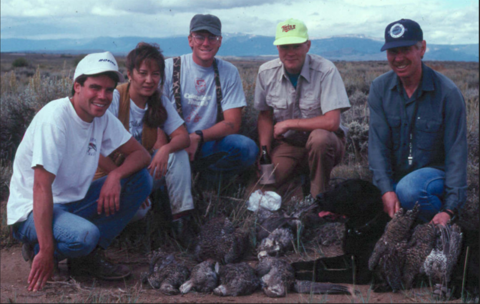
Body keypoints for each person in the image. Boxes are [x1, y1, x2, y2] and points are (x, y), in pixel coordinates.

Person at [7, 52, 152, 291]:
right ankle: (39, 249)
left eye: (108, 90)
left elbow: (142, 156)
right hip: (32, 210)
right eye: (95, 87)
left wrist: (114, 175)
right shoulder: (56, 119)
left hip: (71, 202)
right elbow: (41, 187)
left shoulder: (101, 118)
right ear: (77, 87)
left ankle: (87, 258)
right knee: (84, 235)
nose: (102, 96)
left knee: (140, 179)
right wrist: (45, 251)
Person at [368, 19, 467, 225]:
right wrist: (385, 190)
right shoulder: (380, 89)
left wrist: (450, 209)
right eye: (393, 52)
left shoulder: (448, 93)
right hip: (396, 180)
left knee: (409, 190)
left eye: (406, 50)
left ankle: (439, 228)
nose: (399, 58)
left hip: (432, 180)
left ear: (422, 48)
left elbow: (456, 155)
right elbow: (377, 147)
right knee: (363, 197)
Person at [94, 42, 194, 226]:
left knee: (176, 154)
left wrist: (165, 149)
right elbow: (93, 149)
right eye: (143, 73)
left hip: (136, 172)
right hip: (106, 174)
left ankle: (183, 222)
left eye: (155, 74)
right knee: (139, 211)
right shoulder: (115, 98)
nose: (149, 80)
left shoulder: (158, 101)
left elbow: (183, 137)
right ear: (129, 74)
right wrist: (124, 180)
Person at [254, 18, 351, 198]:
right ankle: (298, 187)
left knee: (319, 139)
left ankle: (317, 200)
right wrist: (264, 152)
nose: (290, 53)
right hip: (289, 144)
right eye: (285, 47)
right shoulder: (266, 73)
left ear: (307, 45)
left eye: (296, 46)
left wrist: (289, 123)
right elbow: (265, 115)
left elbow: (331, 122)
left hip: (325, 143)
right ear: (277, 48)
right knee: (260, 190)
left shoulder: (326, 71)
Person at [162, 14, 258, 184]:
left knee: (247, 148)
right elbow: (155, 117)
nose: (206, 43)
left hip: (206, 143)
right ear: (190, 40)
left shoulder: (229, 72)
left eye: (212, 37)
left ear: (220, 41)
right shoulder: (169, 68)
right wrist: (172, 146)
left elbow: (233, 123)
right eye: (200, 37)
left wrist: (197, 137)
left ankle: (206, 183)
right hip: (171, 144)